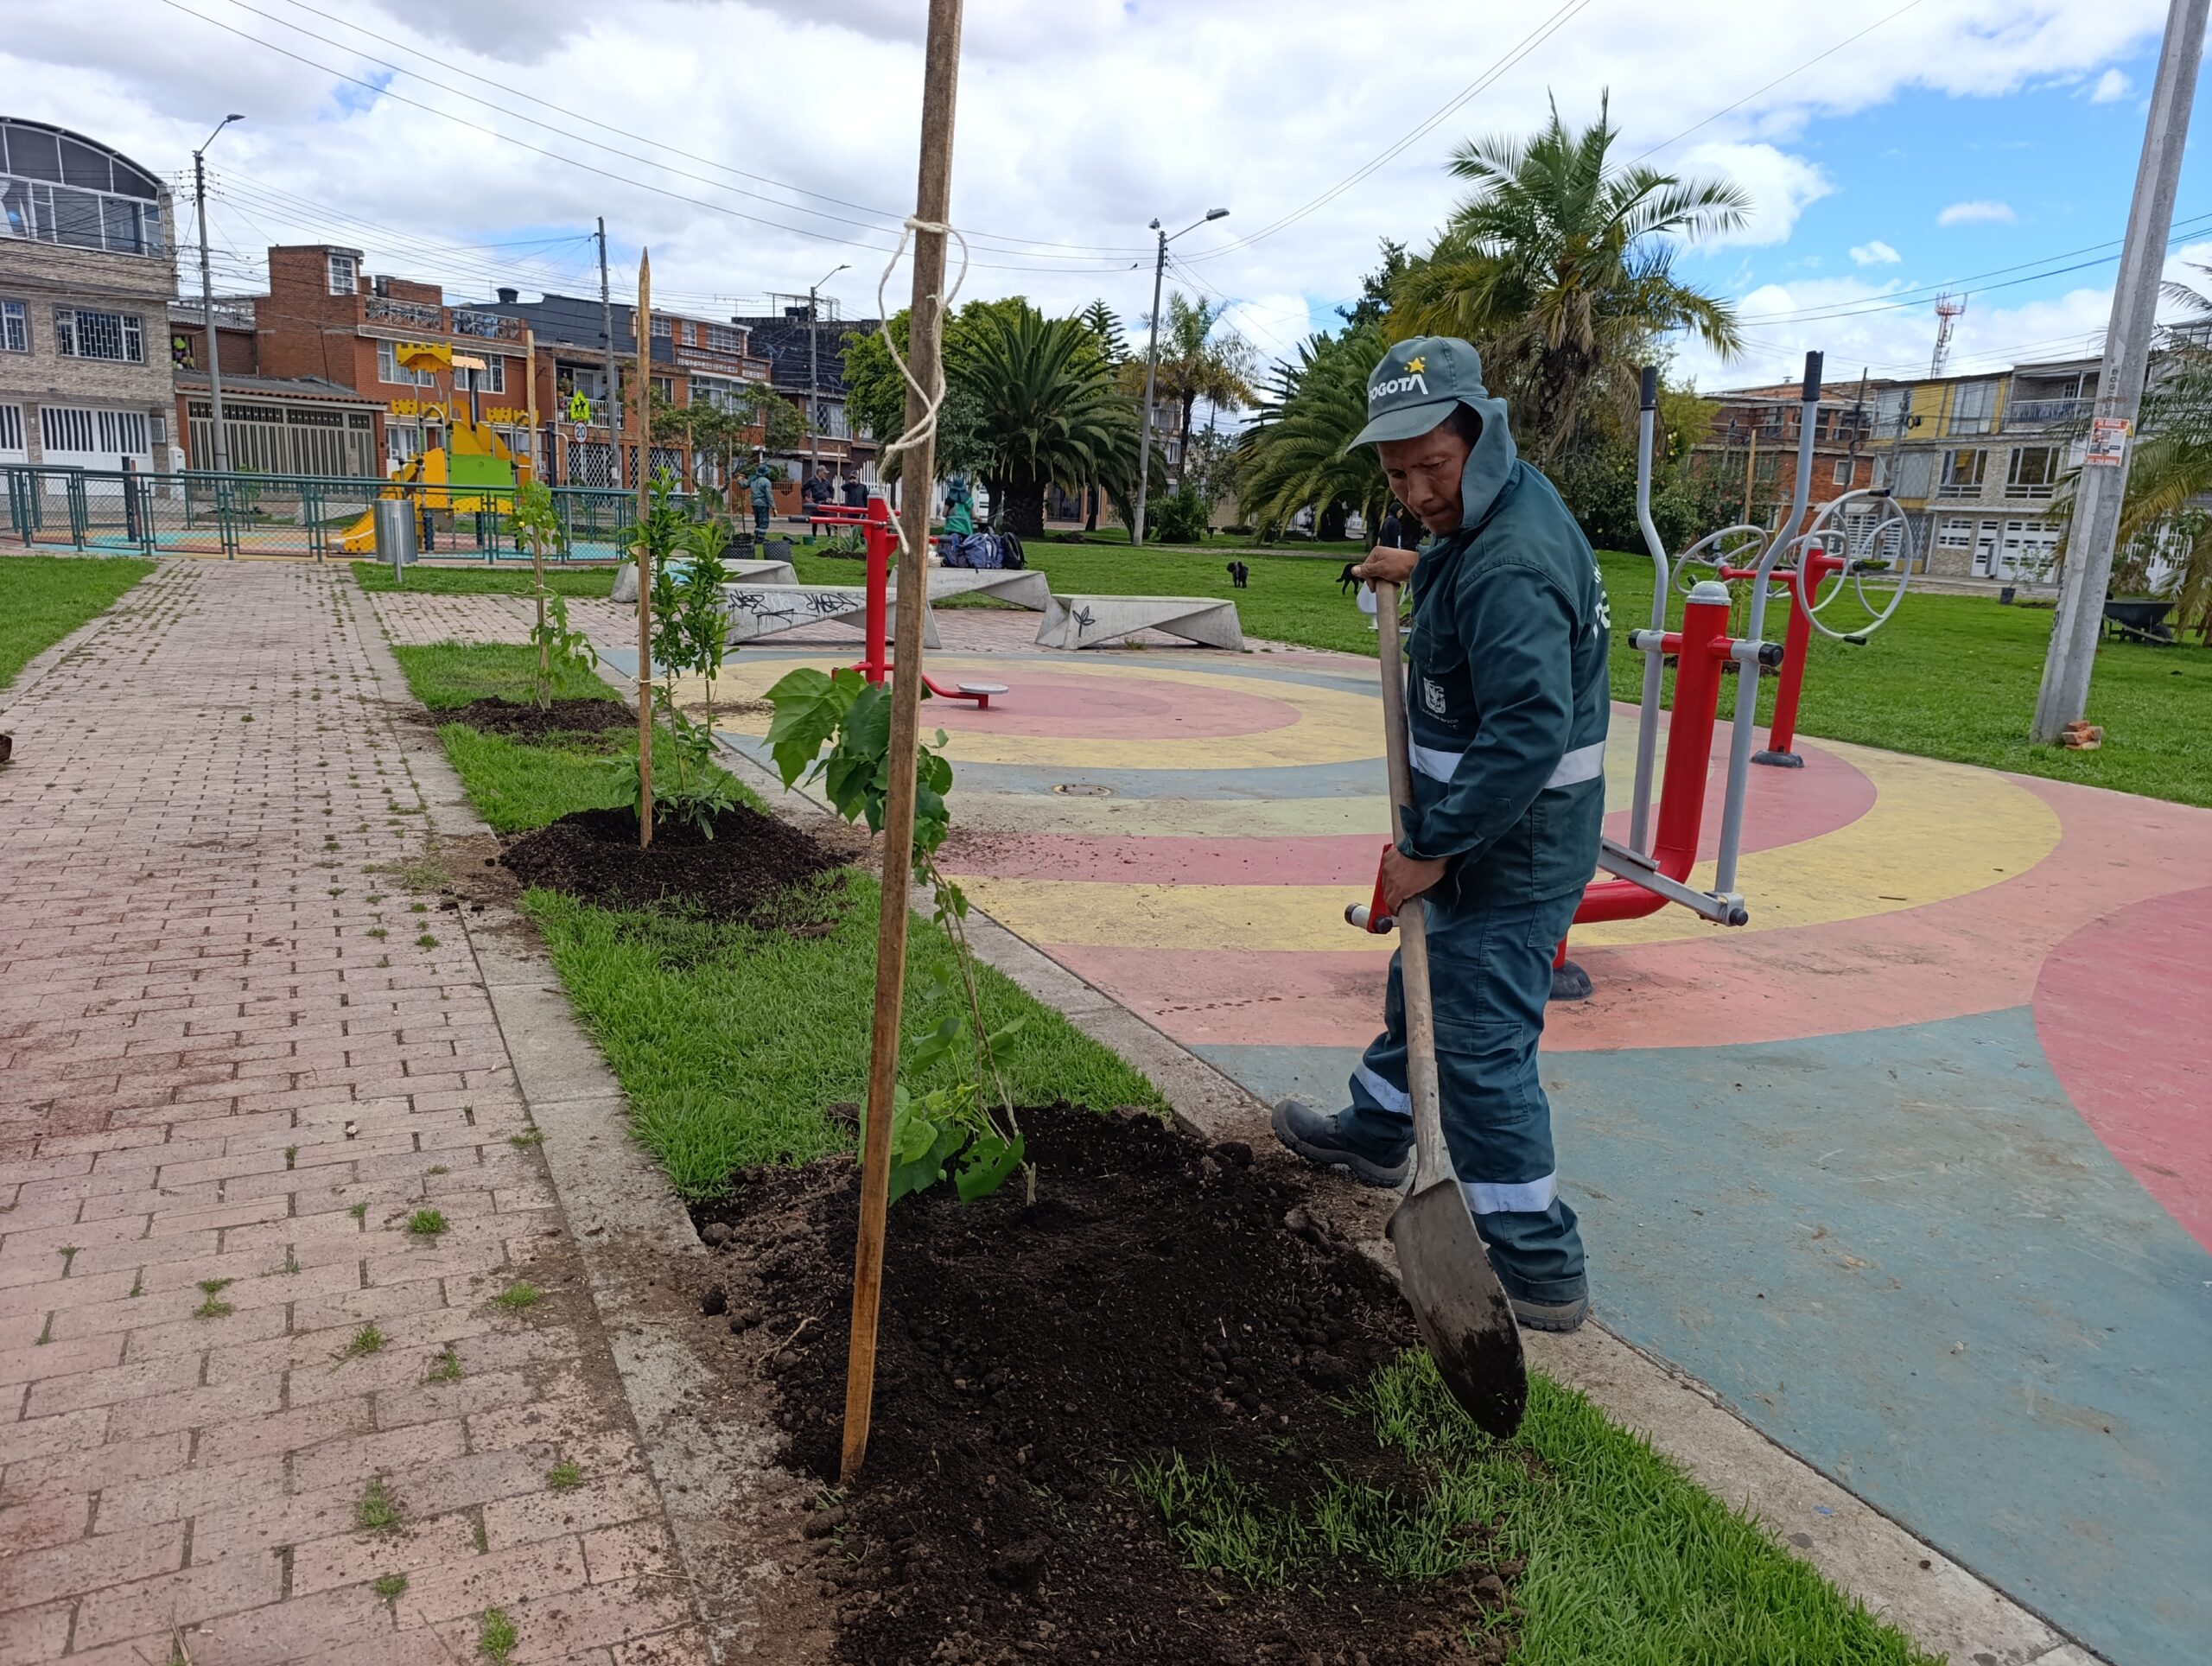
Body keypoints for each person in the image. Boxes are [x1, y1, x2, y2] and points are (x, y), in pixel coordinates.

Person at [1271, 336, 1612, 1333]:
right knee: (1420, 977)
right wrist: (1419, 563)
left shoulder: (1508, 557)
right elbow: (1476, 568)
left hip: (1510, 845)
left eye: (1434, 467)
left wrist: (1434, 845)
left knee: (1476, 1045)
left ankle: (1538, 1263)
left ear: (1480, 432)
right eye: (1396, 474)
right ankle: (1382, 1130)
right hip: (1477, 836)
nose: (1417, 489)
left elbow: (1526, 730)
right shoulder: (1495, 513)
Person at [747, 458, 774, 540]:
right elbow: (769, 495)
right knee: (764, 522)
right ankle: (761, 538)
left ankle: (756, 536)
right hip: (763, 504)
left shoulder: (753, 480)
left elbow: (744, 485)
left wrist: (739, 480)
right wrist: (773, 507)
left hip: (754, 503)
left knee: (758, 521)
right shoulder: (766, 482)